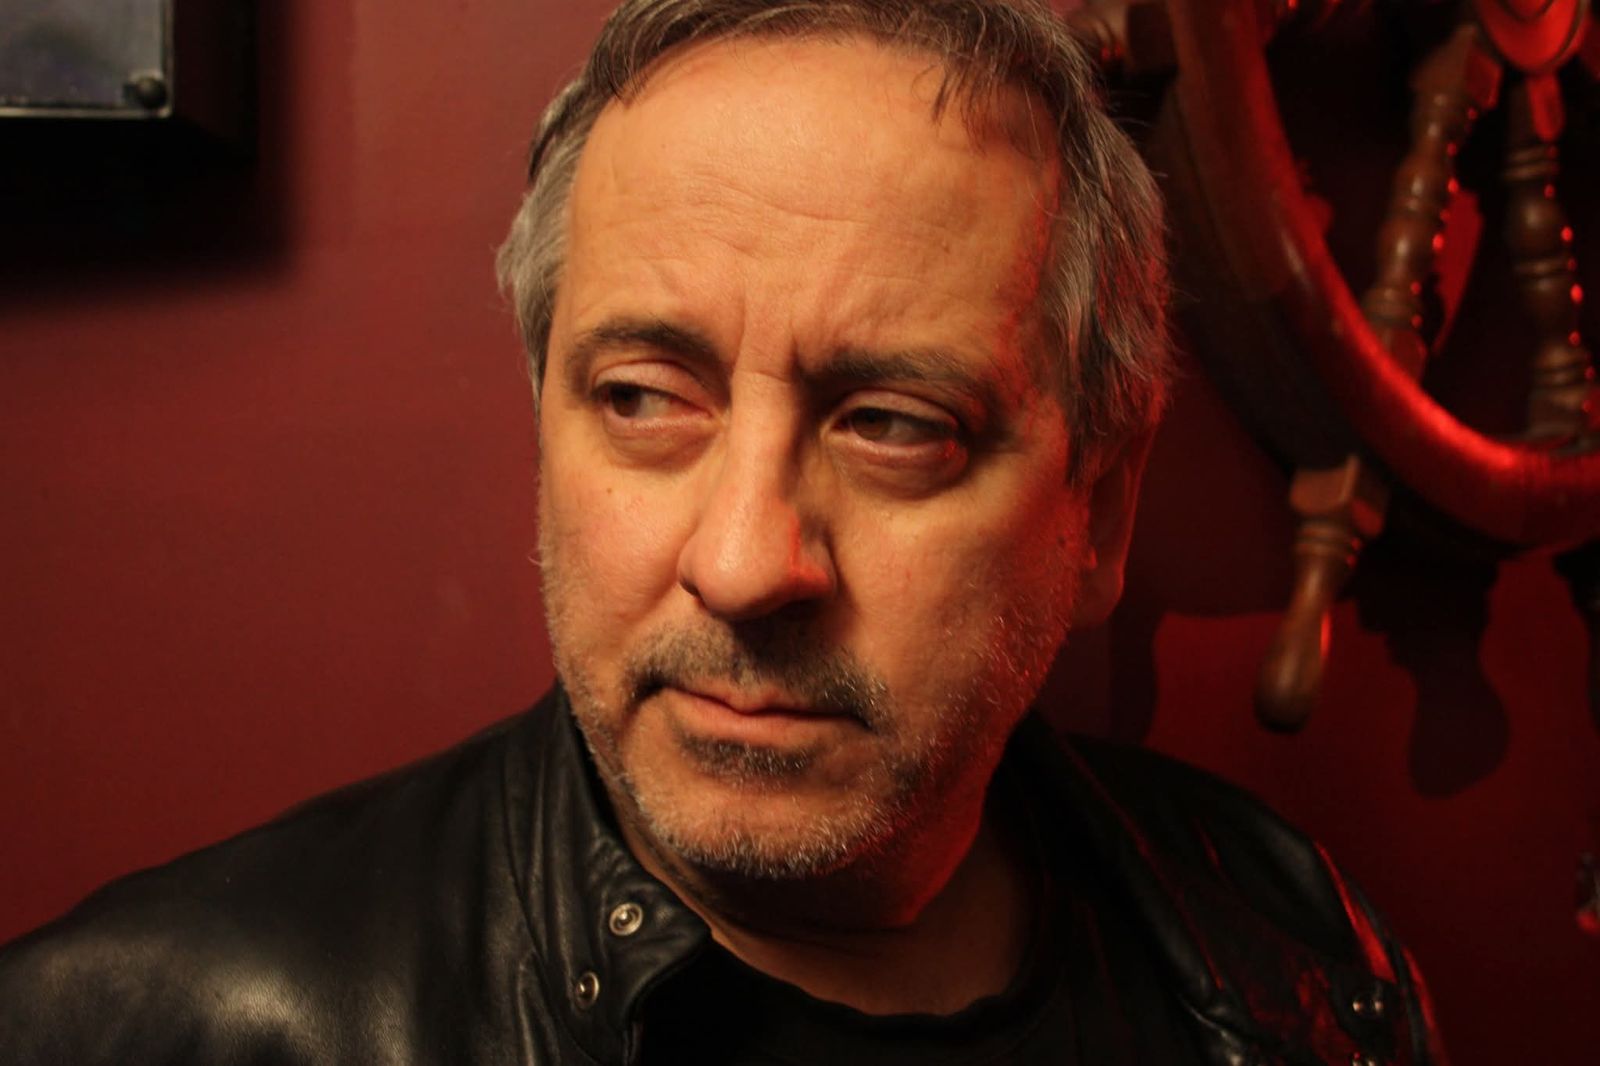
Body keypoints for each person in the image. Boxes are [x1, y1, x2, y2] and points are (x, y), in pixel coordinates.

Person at [0, 1, 1445, 1062]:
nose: (746, 564)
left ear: (1101, 512)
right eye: (643, 398)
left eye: (895, 423)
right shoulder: (139, 1029)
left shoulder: (1308, 968)